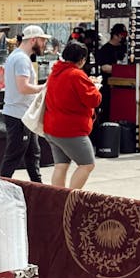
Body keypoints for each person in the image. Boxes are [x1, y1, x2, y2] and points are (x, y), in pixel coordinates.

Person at [43, 42, 102, 190]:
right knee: (87, 164)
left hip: (52, 128)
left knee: (61, 166)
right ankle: (71, 197)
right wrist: (95, 88)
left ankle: (58, 199)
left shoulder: (55, 72)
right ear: (81, 59)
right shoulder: (76, 75)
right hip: (70, 129)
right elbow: (94, 100)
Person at [0, 25, 50, 182]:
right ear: (33, 39)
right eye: (42, 40)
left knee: (32, 153)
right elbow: (23, 87)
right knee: (15, 155)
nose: (44, 44)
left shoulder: (16, 56)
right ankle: (2, 187)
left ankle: (38, 186)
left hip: (21, 114)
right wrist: (45, 88)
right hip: (19, 115)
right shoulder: (21, 59)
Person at [93, 24, 128, 129]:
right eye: (121, 35)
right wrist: (120, 69)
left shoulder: (125, 48)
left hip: (125, 85)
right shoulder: (105, 50)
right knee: (108, 110)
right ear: (115, 35)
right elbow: (104, 67)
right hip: (109, 86)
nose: (123, 38)